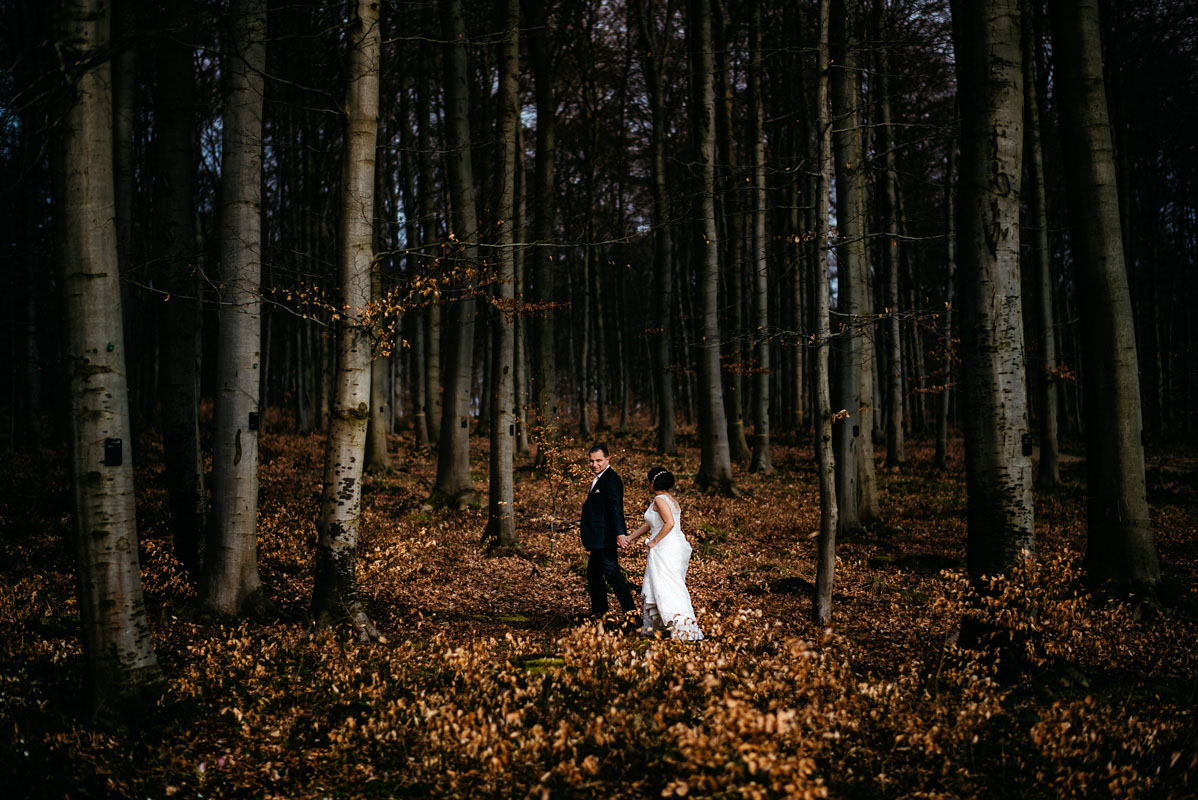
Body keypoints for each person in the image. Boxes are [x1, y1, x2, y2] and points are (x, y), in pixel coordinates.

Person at [618, 467, 704, 640]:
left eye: (648, 481)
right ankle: (660, 627)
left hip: (666, 548)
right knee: (661, 585)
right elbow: (651, 524)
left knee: (668, 587)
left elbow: (669, 523)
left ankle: (683, 629)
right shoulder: (668, 499)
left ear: (652, 482)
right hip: (672, 546)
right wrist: (630, 538)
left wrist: (654, 541)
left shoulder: (659, 500)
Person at [579, 443, 636, 623]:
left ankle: (632, 617)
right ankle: (601, 615)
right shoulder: (599, 478)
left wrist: (620, 533)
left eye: (598, 460)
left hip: (606, 538)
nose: (594, 464)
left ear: (608, 459)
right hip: (597, 539)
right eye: (591, 461)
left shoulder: (611, 479)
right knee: (594, 575)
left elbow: (615, 508)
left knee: (613, 576)